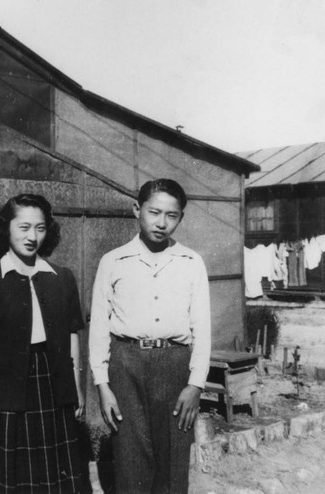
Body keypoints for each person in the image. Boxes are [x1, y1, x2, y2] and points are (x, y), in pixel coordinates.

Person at [0, 193, 85, 494]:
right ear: (6, 229)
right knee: (10, 479)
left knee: (56, 474)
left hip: (53, 384)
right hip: (6, 389)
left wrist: (77, 387)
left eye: (40, 228)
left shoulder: (62, 278)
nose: (32, 237)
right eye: (23, 227)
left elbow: (71, 335)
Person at [89, 178, 211, 494]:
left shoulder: (191, 262)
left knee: (173, 461)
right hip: (125, 365)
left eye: (171, 215)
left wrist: (195, 384)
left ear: (180, 218)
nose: (161, 223)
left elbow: (202, 327)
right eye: (154, 212)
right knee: (130, 460)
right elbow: (100, 327)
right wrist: (102, 385)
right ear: (137, 210)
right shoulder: (113, 261)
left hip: (174, 365)